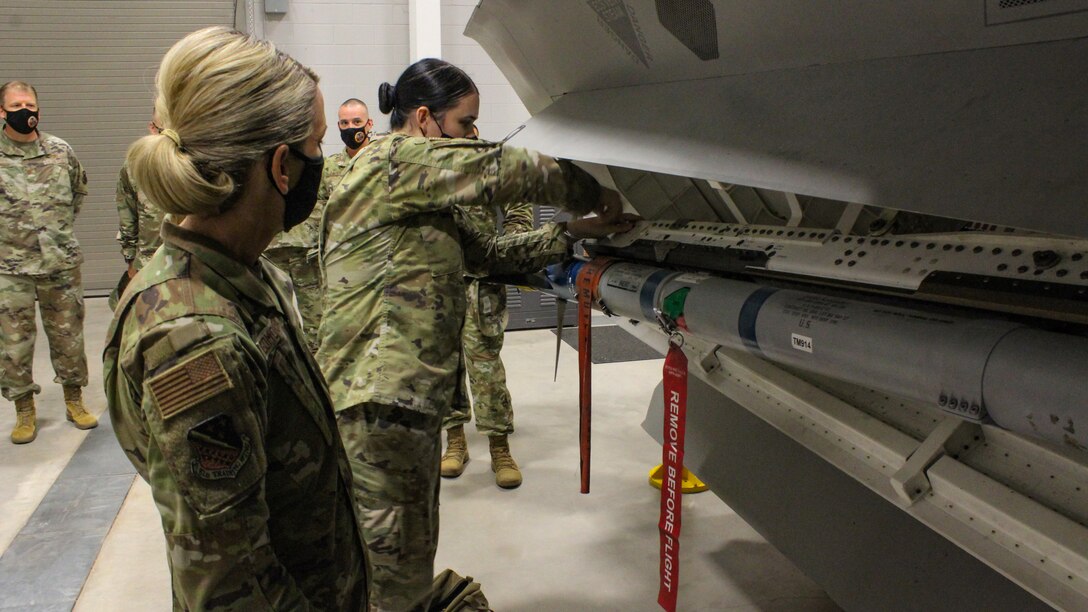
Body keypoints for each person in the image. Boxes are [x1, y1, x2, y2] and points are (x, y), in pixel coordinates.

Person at [318, 57, 638, 611]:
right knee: (394, 581)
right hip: (376, 404)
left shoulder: (422, 193)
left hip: (400, 403)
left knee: (401, 562)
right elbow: (504, 168)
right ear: (424, 119)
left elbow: (487, 256)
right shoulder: (396, 161)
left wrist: (573, 233)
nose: (473, 136)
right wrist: (594, 192)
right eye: (465, 124)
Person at [102, 27, 366, 610]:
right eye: (317, 144)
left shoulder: (246, 271)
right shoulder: (194, 342)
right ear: (281, 167)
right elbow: (233, 588)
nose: (324, 160)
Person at [0, 79, 96, 444]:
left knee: (69, 336)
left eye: (30, 104)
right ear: (2, 112)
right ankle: (24, 410)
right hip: (10, 267)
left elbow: (77, 192)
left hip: (60, 262)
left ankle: (75, 399)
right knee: (14, 344)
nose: (25, 111)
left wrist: (54, 232)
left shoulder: (60, 151)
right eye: (16, 105)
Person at [440, 196, 535, 488]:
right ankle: (455, 441)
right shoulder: (421, 157)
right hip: (435, 277)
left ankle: (500, 448)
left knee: (486, 367)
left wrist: (507, 246)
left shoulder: (484, 157)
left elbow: (518, 204)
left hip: (481, 279)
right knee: (443, 365)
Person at [264, 98, 372, 352]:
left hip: (369, 254)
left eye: (356, 122)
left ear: (369, 124)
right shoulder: (329, 166)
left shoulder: (381, 160)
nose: (350, 128)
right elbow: (319, 210)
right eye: (345, 122)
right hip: (324, 254)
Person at [111, 112, 168, 309]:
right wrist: (130, 261)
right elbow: (127, 215)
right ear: (152, 129)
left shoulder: (198, 164)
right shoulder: (135, 167)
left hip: (193, 267)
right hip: (148, 266)